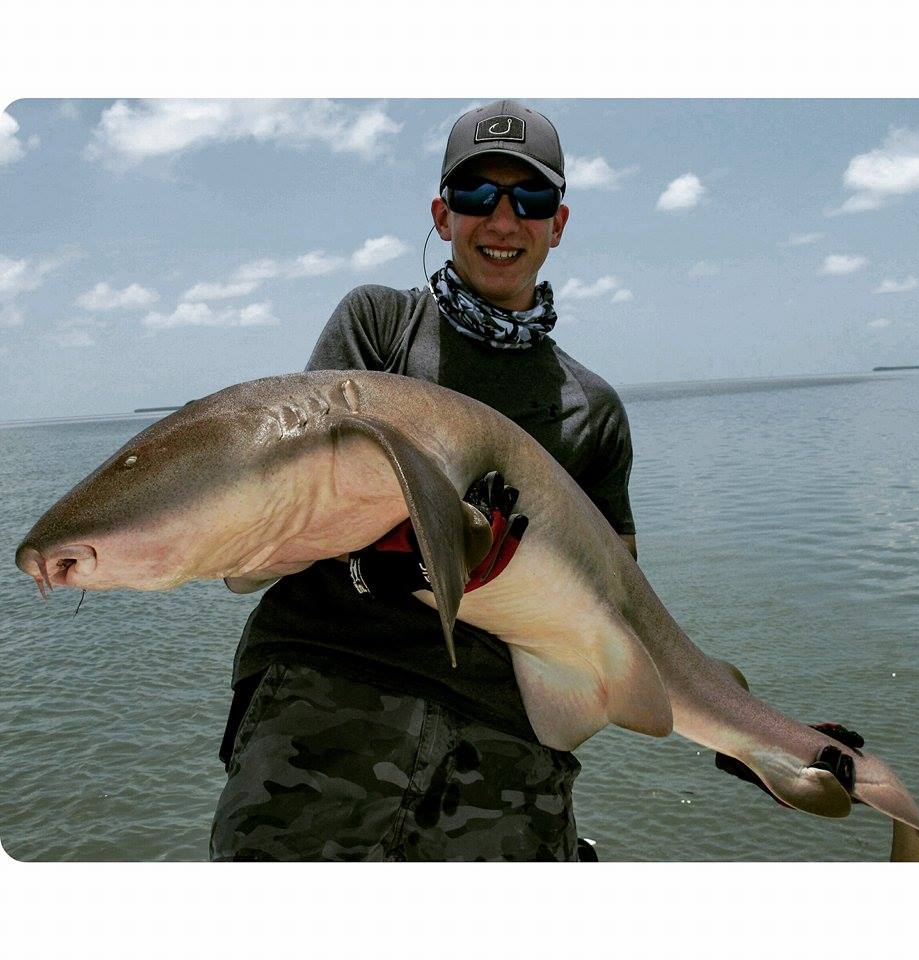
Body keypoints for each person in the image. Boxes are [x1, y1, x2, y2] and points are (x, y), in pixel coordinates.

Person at [209, 100, 639, 861]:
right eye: (478, 196)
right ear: (442, 215)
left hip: (505, 735)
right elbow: (289, 503)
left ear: (558, 223)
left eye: (529, 199)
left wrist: (751, 739)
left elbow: (617, 600)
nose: (502, 221)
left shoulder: (591, 409)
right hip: (330, 689)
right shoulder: (377, 327)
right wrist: (388, 560)